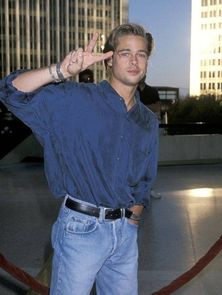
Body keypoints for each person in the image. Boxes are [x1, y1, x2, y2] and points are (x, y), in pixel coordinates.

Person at [0, 23, 158, 295]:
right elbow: (10, 92)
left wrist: (133, 219)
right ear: (109, 59)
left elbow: (145, 177)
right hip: (81, 231)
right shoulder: (76, 100)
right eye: (125, 53)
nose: (134, 60)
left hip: (124, 235)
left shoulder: (147, 120)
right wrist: (60, 71)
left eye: (141, 54)